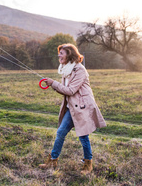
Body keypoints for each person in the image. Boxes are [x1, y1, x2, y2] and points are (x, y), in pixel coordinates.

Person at [39, 43, 106, 175]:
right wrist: (53, 85)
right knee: (60, 133)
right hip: (71, 108)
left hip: (82, 108)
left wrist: (54, 83)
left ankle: (88, 164)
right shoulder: (66, 69)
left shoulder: (79, 70)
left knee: (83, 136)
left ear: (69, 54)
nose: (59, 55)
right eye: (59, 53)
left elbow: (70, 90)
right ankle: (52, 160)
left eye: (61, 53)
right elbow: (65, 91)